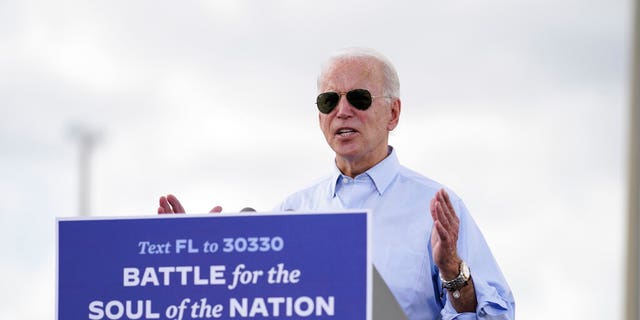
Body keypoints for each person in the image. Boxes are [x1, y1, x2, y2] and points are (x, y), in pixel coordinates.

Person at [158, 47, 515, 319]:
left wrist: (454, 272)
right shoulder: (292, 211)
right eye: (330, 101)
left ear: (393, 113)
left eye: (358, 98)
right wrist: (193, 265)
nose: (342, 111)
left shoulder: (436, 207)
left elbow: (495, 313)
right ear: (319, 117)